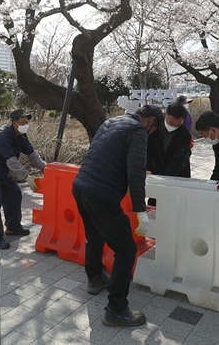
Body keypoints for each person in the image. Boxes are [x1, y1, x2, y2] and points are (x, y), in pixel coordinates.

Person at [71, 105, 160, 328]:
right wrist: (141, 211)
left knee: (95, 235)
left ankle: (95, 278)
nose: (151, 133)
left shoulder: (111, 122)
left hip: (80, 187)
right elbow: (136, 172)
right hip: (101, 194)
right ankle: (116, 310)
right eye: (154, 129)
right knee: (126, 250)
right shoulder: (138, 131)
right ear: (150, 121)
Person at [0, 109, 47, 250]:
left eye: (27, 122)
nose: (25, 125)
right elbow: (12, 161)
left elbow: (32, 155)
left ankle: (13, 227)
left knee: (14, 194)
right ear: (14, 123)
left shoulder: (22, 136)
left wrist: (46, 169)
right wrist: (26, 177)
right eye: (22, 123)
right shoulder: (3, 137)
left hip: (3, 171)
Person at [146, 103, 192, 206]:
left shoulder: (184, 135)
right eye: (171, 123)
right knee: (154, 204)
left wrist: (165, 181)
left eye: (178, 125)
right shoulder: (154, 127)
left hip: (175, 176)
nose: (174, 126)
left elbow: (177, 160)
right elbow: (148, 151)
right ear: (165, 114)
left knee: (173, 205)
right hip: (154, 173)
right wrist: (147, 169)